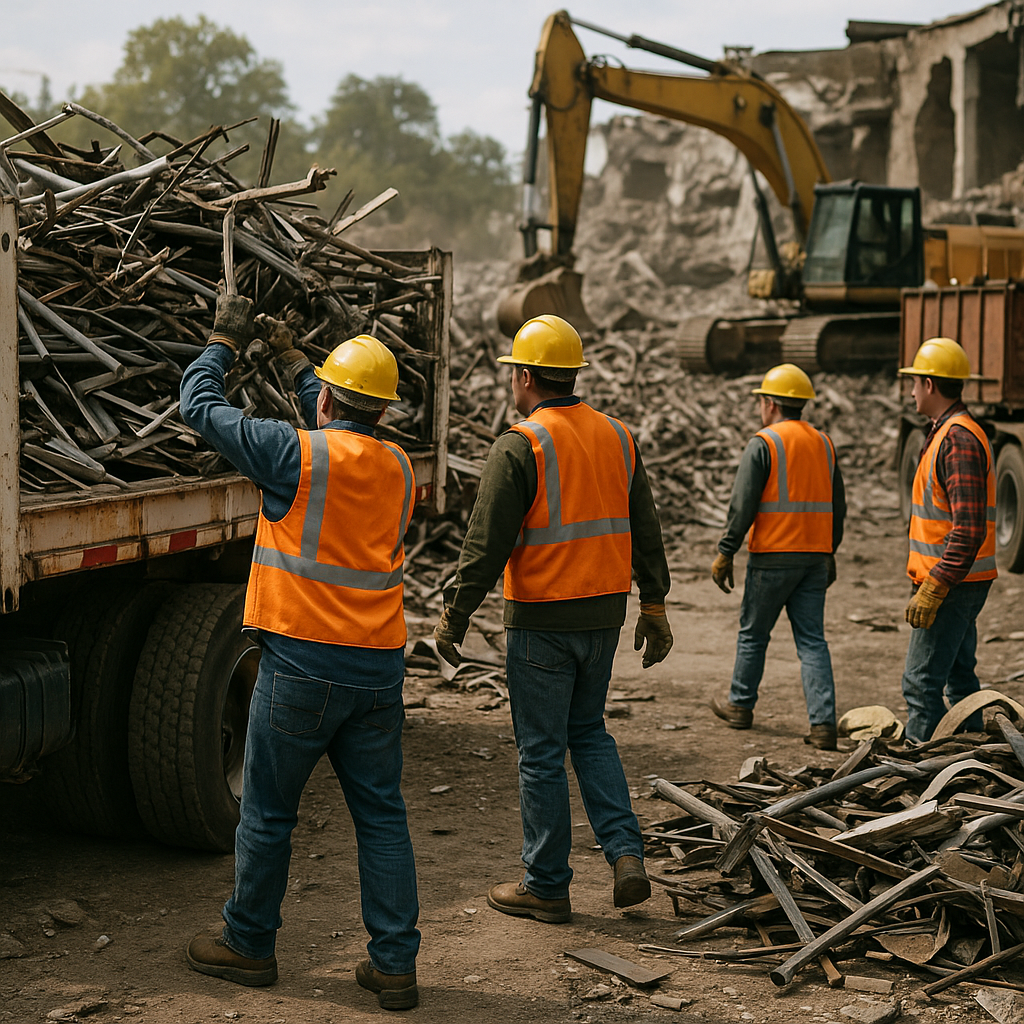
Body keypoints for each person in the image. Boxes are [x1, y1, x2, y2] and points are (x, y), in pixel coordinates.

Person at [180, 294, 421, 1012]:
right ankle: (394, 966)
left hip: (301, 671)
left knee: (268, 815)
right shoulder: (401, 468)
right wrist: (293, 360)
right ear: (384, 411)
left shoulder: (295, 455)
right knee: (382, 817)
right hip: (377, 671)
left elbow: (198, 406)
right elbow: (344, 411)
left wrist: (223, 341)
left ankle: (248, 944)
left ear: (327, 403)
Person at [432, 314, 673, 924]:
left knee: (541, 753)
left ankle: (546, 884)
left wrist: (454, 619)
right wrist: (654, 604)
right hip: (602, 620)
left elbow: (485, 544)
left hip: (541, 622)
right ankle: (625, 853)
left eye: (513, 372)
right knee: (589, 733)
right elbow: (646, 526)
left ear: (527, 376)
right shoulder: (618, 436)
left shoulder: (522, 444)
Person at [709, 363, 846, 750]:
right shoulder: (824, 443)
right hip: (814, 559)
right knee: (813, 642)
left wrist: (726, 551)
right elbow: (840, 505)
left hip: (772, 557)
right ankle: (823, 726)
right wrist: (829, 551)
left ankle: (740, 705)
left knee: (754, 635)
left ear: (770, 403)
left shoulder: (764, 443)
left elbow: (743, 504)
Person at [898, 336, 996, 743]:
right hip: (959, 580)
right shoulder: (947, 432)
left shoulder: (956, 439)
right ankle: (971, 755)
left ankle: (922, 769)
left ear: (930, 385)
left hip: (952, 583)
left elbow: (968, 527)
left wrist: (935, 586)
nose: (911, 391)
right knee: (958, 679)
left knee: (920, 685)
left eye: (915, 383)